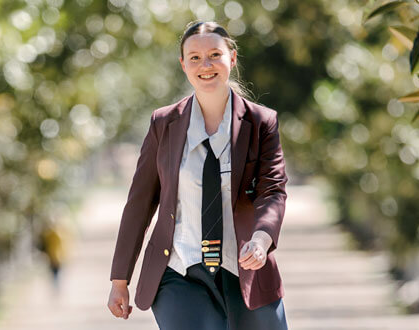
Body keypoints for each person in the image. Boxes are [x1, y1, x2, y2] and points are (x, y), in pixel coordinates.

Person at [107, 21, 288, 330]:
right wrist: (119, 278)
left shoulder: (261, 122)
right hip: (178, 271)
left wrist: (261, 239)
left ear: (231, 58)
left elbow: (273, 190)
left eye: (214, 55)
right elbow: (139, 202)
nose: (205, 65)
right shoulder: (163, 124)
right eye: (194, 57)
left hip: (245, 267)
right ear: (183, 65)